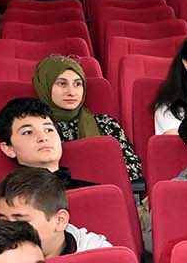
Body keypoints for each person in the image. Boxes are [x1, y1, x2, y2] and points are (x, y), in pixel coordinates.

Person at [32, 54, 140, 182]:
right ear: (45, 86)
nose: (71, 92)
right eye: (62, 83)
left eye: (77, 84)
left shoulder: (105, 123)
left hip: (102, 195)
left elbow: (134, 168)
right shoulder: (34, 129)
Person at [0, 167, 111, 257]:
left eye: (21, 221)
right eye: (3, 221)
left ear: (60, 220)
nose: (8, 231)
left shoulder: (99, 256)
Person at [0, 98, 93, 188]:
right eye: (28, 132)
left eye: (49, 130)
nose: (43, 138)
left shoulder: (94, 193)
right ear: (9, 149)